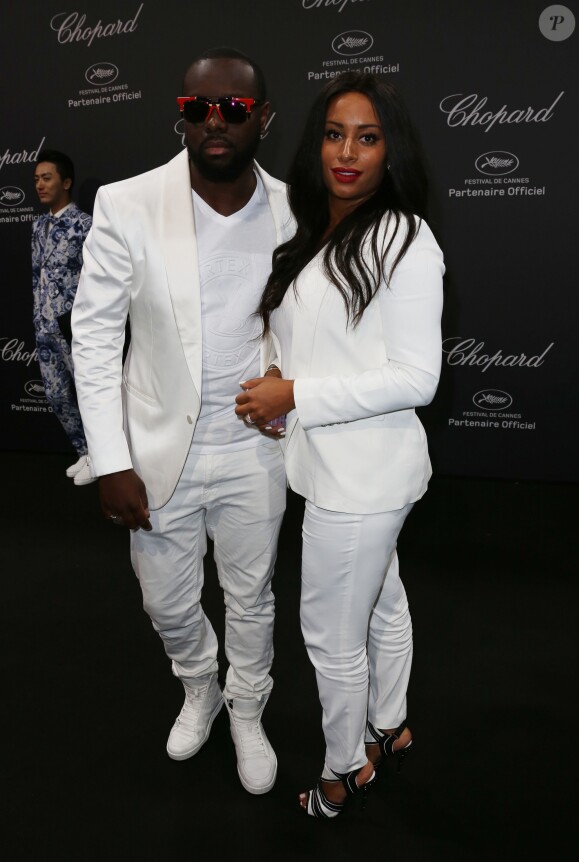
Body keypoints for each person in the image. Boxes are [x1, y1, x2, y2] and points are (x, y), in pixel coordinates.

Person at [71, 47, 293, 795]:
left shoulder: (298, 210)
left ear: (263, 118)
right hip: (156, 450)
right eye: (199, 109)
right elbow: (96, 338)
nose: (215, 123)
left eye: (234, 109)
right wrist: (110, 459)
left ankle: (247, 707)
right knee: (165, 600)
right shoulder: (127, 203)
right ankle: (199, 682)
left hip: (255, 451)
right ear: (181, 115)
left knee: (251, 596)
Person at [234, 72, 445, 817]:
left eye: (367, 136)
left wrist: (297, 396)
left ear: (392, 152)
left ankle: (344, 768)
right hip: (331, 464)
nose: (347, 151)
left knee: (329, 636)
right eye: (333, 134)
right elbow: (319, 345)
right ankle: (391, 725)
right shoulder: (310, 225)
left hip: (364, 479)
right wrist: (279, 386)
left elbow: (418, 378)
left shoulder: (405, 238)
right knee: (382, 603)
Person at [31, 149, 94, 485]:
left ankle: (101, 456)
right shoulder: (38, 225)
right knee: (57, 396)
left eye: (47, 178)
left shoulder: (84, 225)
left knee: (88, 392)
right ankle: (84, 452)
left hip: (73, 326)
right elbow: (35, 273)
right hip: (43, 326)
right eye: (37, 179)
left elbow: (96, 278)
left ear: (66, 182)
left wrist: (78, 319)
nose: (40, 185)